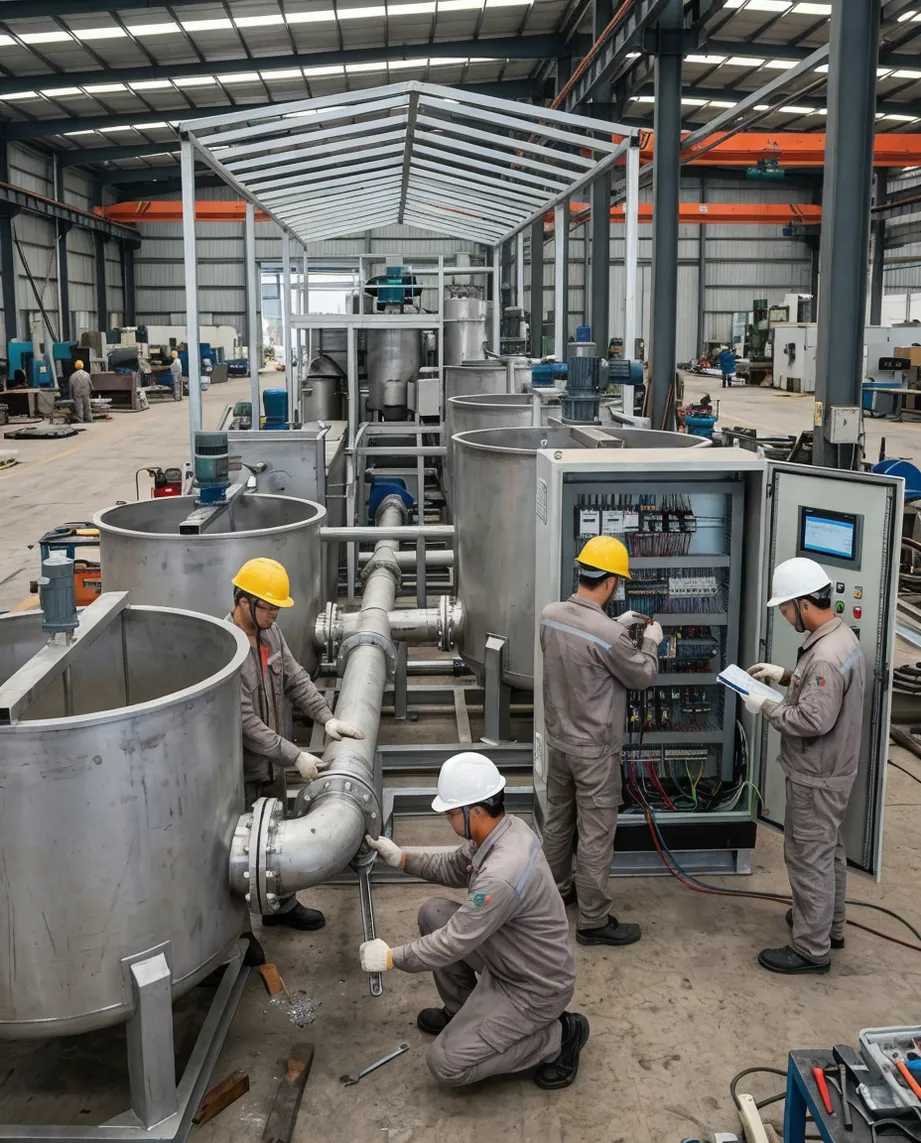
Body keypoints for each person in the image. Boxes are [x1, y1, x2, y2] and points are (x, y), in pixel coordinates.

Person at [360, 752, 588, 1090]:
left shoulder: (501, 874)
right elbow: (453, 866)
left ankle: (559, 1036)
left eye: (451, 812)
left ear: (475, 811)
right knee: (433, 913)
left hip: (534, 988)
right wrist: (403, 859)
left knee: (446, 1064)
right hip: (513, 956)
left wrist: (392, 958)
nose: (448, 819)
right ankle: (463, 1012)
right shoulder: (503, 830)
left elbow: (453, 941)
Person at [744, 557, 866, 975]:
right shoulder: (840, 638)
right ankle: (828, 925)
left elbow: (813, 719)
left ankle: (811, 950)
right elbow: (822, 692)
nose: (782, 614)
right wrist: (784, 677)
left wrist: (766, 706)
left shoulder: (826, 656)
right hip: (835, 770)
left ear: (802, 603)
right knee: (828, 851)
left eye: (784, 607)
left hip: (817, 775)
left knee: (807, 857)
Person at [229, 556, 364, 931]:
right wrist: (296, 755)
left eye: (277, 609)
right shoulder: (229, 650)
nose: (275, 615)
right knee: (239, 849)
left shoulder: (271, 635)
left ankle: (282, 908)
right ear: (244, 602)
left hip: (272, 766)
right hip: (242, 771)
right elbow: (245, 723)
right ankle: (238, 932)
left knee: (276, 834)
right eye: (269, 608)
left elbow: (296, 679)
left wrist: (328, 718)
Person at [539, 535, 662, 947]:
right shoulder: (610, 635)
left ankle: (555, 896)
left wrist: (615, 627)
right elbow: (641, 675)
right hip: (594, 751)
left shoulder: (550, 615)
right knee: (594, 834)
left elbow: (579, 650)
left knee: (558, 823)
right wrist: (649, 642)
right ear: (610, 583)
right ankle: (593, 921)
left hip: (559, 743)